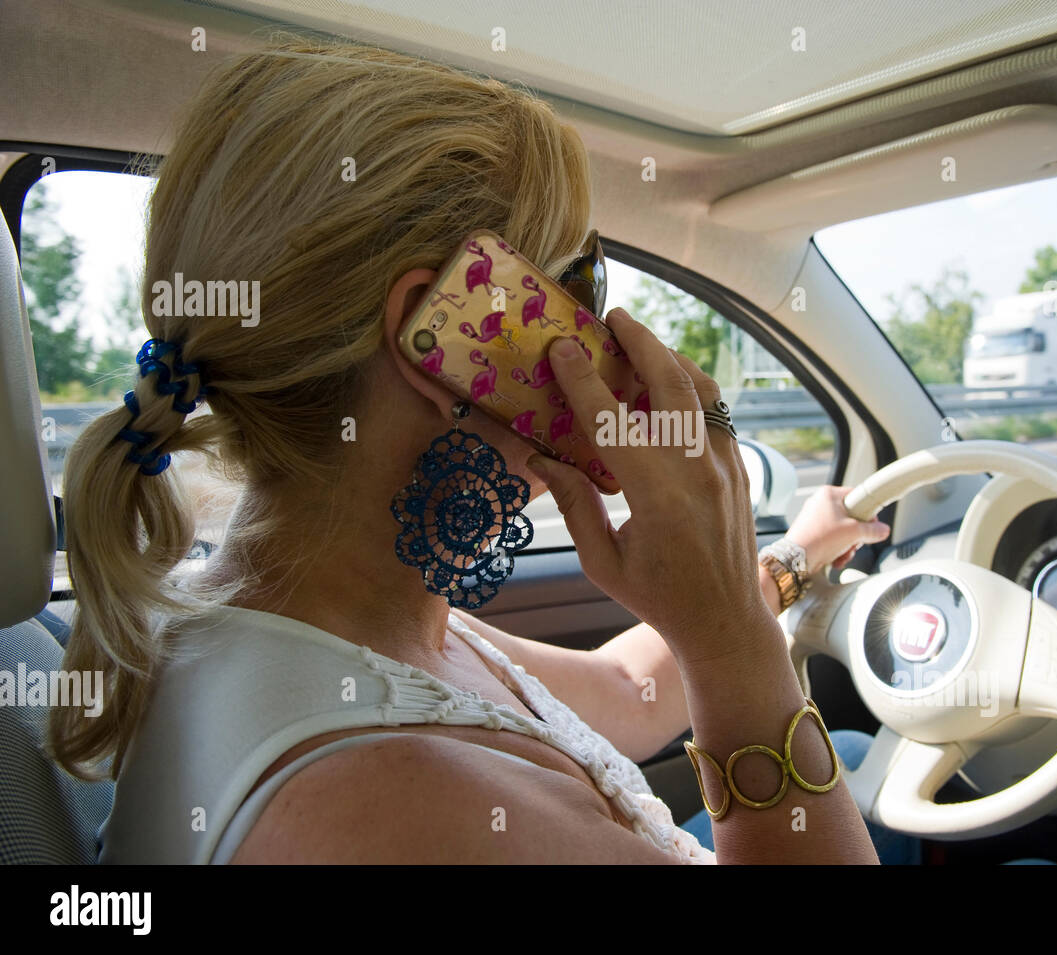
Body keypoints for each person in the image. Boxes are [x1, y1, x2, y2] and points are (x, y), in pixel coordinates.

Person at [51, 40, 902, 864]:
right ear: (441, 333)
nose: (600, 329)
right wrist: (741, 651)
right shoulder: (398, 801)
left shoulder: (312, 621)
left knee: (863, 748)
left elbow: (619, 690)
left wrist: (784, 564)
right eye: (577, 280)